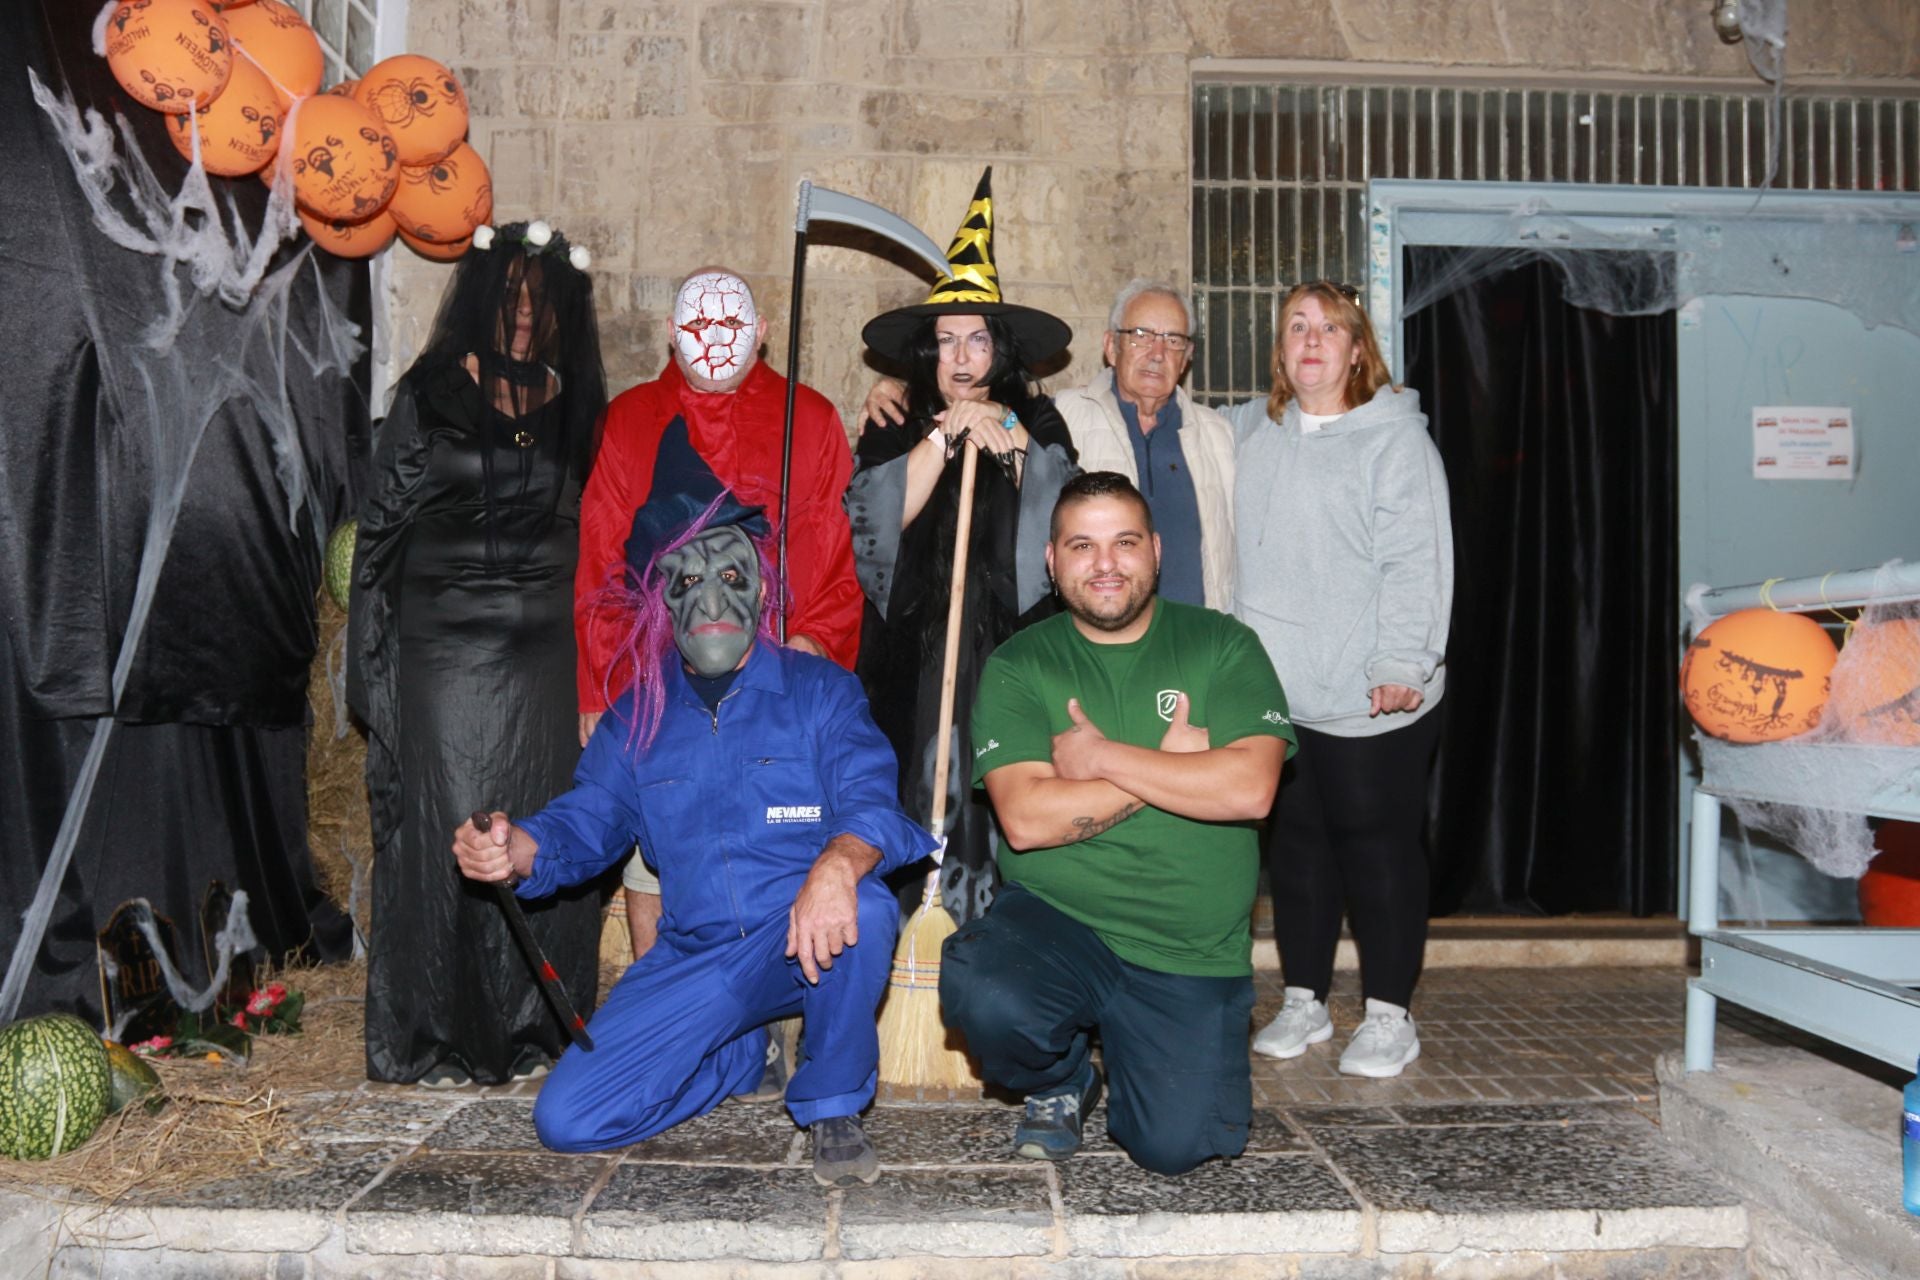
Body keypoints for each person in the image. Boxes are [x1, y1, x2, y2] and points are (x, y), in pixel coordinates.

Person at [452, 438, 937, 1184]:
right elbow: (585, 824)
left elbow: (873, 799)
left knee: (866, 906)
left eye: (731, 574)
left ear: (762, 589)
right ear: (660, 598)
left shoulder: (821, 692)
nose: (711, 600)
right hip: (697, 955)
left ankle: (831, 1100)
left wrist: (838, 864)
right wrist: (518, 849)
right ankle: (735, 1053)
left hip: (803, 937)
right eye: (687, 580)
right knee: (569, 1120)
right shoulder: (635, 718)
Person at [943, 472, 1293, 1174]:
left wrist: (1100, 758)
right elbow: (1026, 819)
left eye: (1124, 542)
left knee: (1177, 1148)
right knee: (985, 994)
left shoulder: (1223, 646)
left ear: (1157, 551)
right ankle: (1060, 1076)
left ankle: (1139, 1059)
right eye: (1082, 545)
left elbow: (1250, 789)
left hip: (1187, 948)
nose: (1105, 564)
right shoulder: (1020, 664)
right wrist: (1168, 770)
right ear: (1052, 560)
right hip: (1060, 920)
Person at [348, 219, 608, 1087]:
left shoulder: (582, 405)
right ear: (482, 299)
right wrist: (374, 668)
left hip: (547, 661)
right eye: (511, 294)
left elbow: (607, 533)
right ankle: (435, 1029)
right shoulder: (430, 393)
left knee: (541, 824)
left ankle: (536, 1024)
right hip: (443, 653)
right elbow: (379, 535)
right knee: (448, 826)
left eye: (541, 298)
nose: (525, 312)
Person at [575, 266, 863, 960]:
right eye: (699, 327)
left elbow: (830, 552)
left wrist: (809, 653)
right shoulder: (632, 420)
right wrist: (601, 686)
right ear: (673, 338)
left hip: (771, 671)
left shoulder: (811, 418)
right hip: (661, 673)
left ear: (762, 334)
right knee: (657, 845)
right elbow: (602, 556)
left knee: (781, 837)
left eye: (731, 325)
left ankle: (782, 1003)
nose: (714, 340)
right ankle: (658, 997)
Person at [1228, 281, 1453, 1080]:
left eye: (1331, 327)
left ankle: (1390, 1014)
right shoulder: (1253, 428)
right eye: (1297, 326)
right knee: (1296, 850)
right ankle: (1305, 997)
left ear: (1359, 349)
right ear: (1281, 350)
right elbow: (1164, 431)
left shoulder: (1395, 440)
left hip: (1372, 691)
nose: (1312, 339)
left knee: (1377, 846)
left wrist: (1402, 662)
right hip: (1280, 694)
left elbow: (1416, 561)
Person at [845, 167, 1078, 924]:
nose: (962, 357)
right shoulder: (894, 422)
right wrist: (943, 436)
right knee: (905, 788)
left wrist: (1005, 438)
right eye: (946, 342)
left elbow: (1061, 514)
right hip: (911, 657)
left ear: (1000, 351)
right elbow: (874, 520)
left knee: (1003, 791)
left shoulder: (1039, 423)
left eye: (977, 339)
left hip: (1006, 651)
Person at [863, 279, 1235, 610]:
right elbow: (871, 518)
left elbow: (1055, 489)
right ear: (1111, 346)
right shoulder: (1068, 410)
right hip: (936, 641)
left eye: (1173, 340)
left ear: (1188, 357)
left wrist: (1003, 418)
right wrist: (909, 400)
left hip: (1190, 638)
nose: (1157, 353)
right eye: (1140, 334)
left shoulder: (1221, 435)